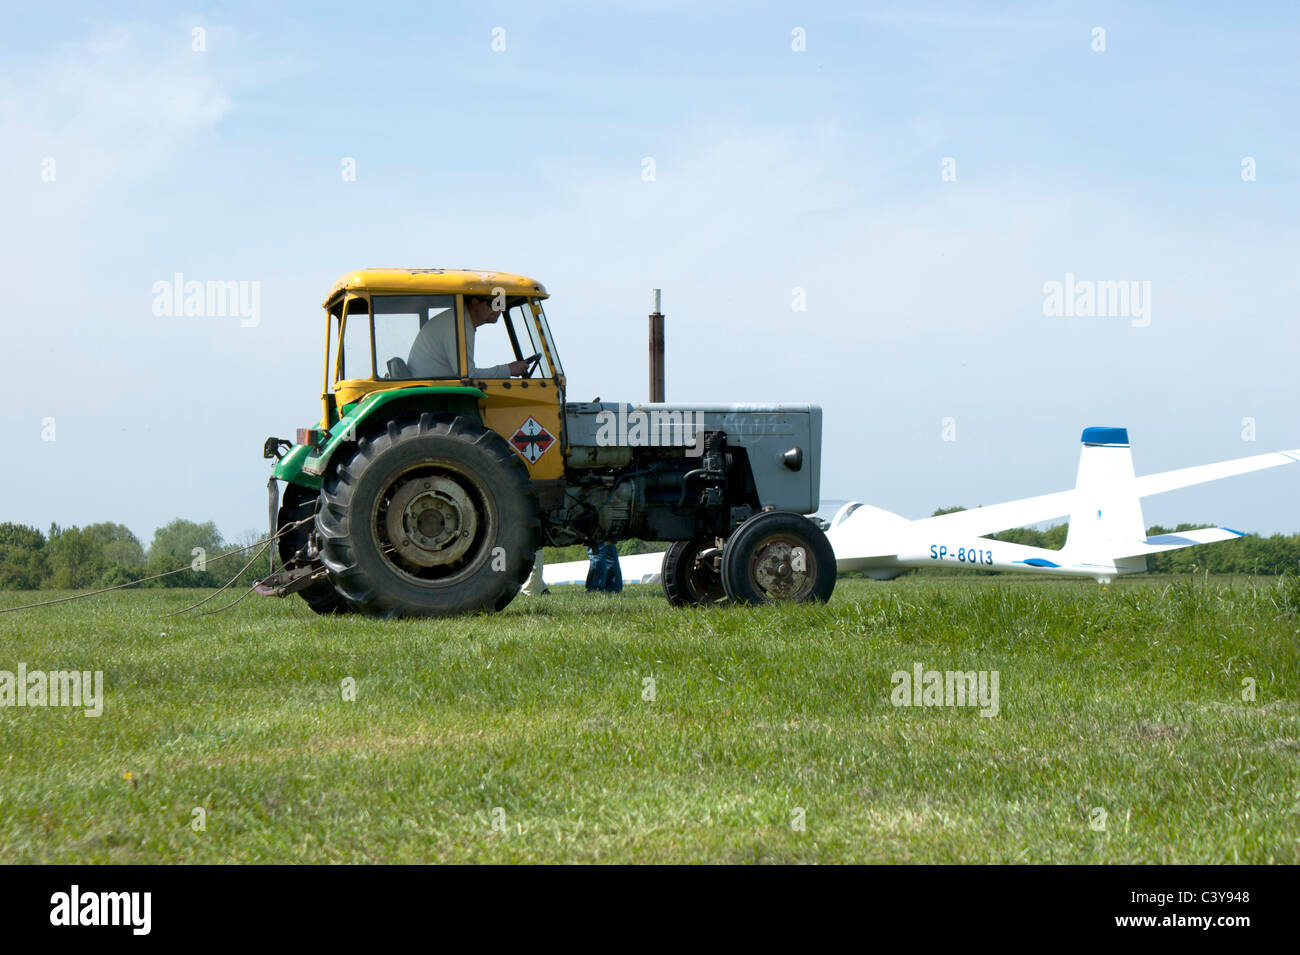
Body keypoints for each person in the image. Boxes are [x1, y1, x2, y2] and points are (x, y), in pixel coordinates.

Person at [407, 296, 531, 379]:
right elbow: (468, 375)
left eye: (501, 304)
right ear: (475, 301)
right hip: (433, 392)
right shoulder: (458, 325)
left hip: (436, 386)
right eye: (493, 303)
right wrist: (507, 370)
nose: (498, 310)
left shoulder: (461, 321)